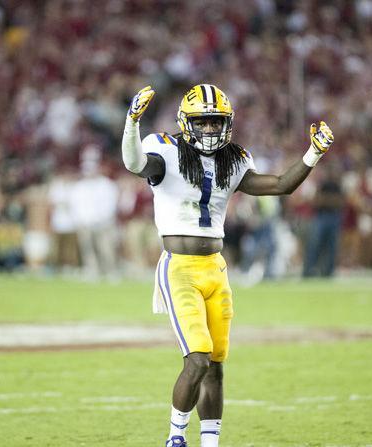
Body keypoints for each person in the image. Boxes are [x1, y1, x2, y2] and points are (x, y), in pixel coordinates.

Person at [121, 84, 334, 447]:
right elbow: (135, 163)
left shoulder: (233, 158)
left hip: (215, 270)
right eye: (201, 122)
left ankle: (210, 443)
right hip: (179, 269)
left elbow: (281, 185)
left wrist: (313, 153)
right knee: (198, 359)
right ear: (186, 122)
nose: (208, 129)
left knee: (216, 366)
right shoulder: (166, 149)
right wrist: (132, 123)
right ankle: (175, 437)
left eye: (214, 122)